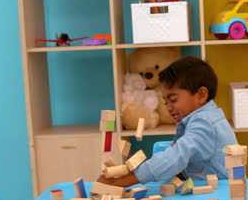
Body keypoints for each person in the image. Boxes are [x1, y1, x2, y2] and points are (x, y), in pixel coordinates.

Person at [98, 56, 237, 187]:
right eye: (165, 101)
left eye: (173, 99)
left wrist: (120, 182)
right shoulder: (204, 117)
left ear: (201, 95)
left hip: (222, 190)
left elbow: (176, 157)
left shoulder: (204, 123)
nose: (169, 108)